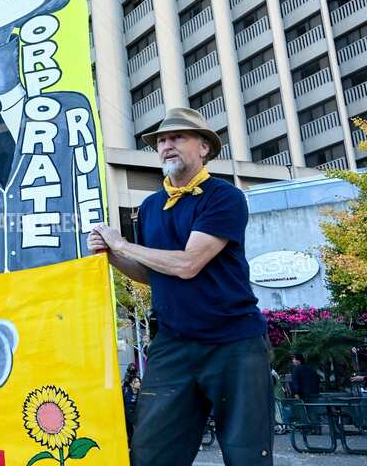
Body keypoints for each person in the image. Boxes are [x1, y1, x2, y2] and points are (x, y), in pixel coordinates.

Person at [88, 108, 272, 466]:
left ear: (203, 148)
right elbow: (151, 273)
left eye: (177, 138)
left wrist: (122, 244)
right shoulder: (150, 206)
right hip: (172, 344)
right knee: (152, 452)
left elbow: (188, 265)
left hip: (234, 343)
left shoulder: (224, 196)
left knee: (247, 453)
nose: (166, 146)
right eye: (161, 141)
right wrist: (110, 256)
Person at [123, 375, 142, 444]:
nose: (138, 383)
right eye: (136, 382)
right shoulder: (125, 392)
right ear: (131, 384)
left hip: (136, 416)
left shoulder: (141, 393)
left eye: (139, 382)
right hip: (127, 417)